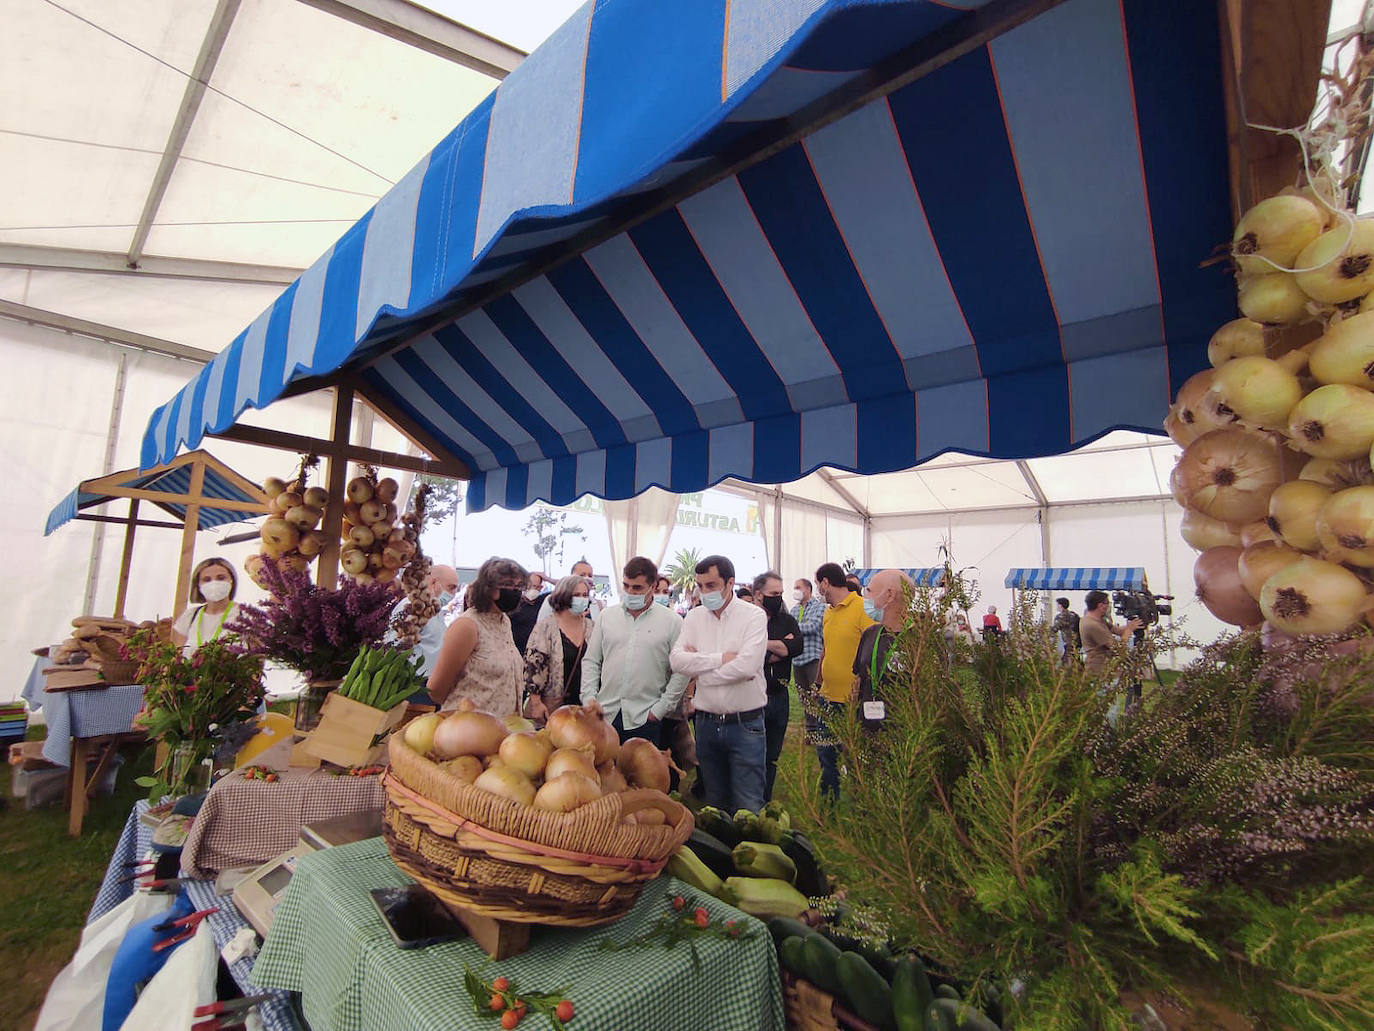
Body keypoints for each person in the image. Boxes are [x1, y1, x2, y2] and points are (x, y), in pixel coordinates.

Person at [670, 555, 768, 814]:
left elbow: (747, 666)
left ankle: (750, 851)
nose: (704, 592)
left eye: (711, 585)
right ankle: (720, 854)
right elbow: (677, 661)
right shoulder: (694, 618)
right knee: (714, 804)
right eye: (700, 586)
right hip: (706, 724)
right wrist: (720, 660)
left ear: (730, 583)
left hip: (745, 725)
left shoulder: (754, 617)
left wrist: (701, 672)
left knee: (748, 804)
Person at [582, 557, 688, 745]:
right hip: (605, 714)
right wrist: (589, 698)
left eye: (637, 588)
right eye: (626, 586)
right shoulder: (607, 616)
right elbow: (591, 660)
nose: (630, 592)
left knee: (641, 773)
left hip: (646, 718)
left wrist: (661, 709)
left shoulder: (672, 622)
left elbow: (681, 671)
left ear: (653, 586)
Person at [428, 557, 527, 714]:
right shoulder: (467, 626)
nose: (515, 591)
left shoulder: (503, 621)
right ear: (488, 588)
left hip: (501, 731)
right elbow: (436, 689)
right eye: (508, 585)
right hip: (468, 729)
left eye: (519, 586)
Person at [814, 561, 874, 800]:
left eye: (819, 584)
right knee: (825, 752)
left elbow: (872, 650)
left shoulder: (863, 608)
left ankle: (861, 802)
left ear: (826, 582)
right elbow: (826, 648)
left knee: (855, 755)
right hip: (827, 697)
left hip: (851, 700)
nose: (819, 589)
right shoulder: (828, 612)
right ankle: (830, 799)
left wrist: (861, 685)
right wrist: (818, 679)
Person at [754, 571, 801, 801]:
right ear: (758, 595)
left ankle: (765, 798)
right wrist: (780, 646)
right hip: (755, 696)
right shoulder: (749, 620)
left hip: (780, 696)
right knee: (753, 752)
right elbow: (749, 656)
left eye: (781, 593)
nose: (779, 598)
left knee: (772, 755)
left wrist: (764, 646)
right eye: (774, 593)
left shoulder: (787, 620)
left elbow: (796, 647)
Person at [523, 575, 593, 720]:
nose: (582, 599)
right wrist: (536, 703)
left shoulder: (592, 627)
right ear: (565, 596)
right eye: (577, 595)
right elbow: (533, 667)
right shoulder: (546, 627)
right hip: (551, 709)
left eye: (585, 595)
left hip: (584, 708)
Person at [853, 569, 915, 728]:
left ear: (890, 595)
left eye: (869, 590)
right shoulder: (870, 634)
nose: (864, 597)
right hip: (867, 730)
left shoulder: (921, 640)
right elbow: (858, 681)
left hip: (904, 737)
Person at [171, 558, 239, 656]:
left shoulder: (245, 616)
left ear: (231, 580)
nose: (214, 583)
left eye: (220, 578)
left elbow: (257, 658)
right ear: (198, 585)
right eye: (207, 580)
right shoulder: (190, 616)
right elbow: (176, 654)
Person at [1081, 590, 1141, 679]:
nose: (1109, 606)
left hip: (1105, 668)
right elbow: (1118, 648)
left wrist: (1134, 624)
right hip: (1099, 672)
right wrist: (1129, 629)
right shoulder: (1093, 625)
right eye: (1107, 603)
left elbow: (1117, 630)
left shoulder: (1098, 620)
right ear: (1100, 605)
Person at [791, 578, 824, 697]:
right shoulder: (794, 610)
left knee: (815, 697)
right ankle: (807, 716)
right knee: (804, 699)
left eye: (798, 587)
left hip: (813, 658)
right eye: (795, 588)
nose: (796, 591)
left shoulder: (819, 607)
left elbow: (812, 627)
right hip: (797, 660)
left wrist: (793, 629)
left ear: (808, 589)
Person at [509, 570, 547, 654]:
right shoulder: (514, 603)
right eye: (531, 586)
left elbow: (565, 588)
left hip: (535, 652)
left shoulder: (542, 601)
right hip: (516, 651)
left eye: (537, 587)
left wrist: (547, 579)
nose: (534, 589)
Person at [1053, 596, 1081, 664]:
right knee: (1076, 659)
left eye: (1057, 604)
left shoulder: (1060, 617)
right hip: (1077, 641)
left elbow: (1054, 629)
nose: (1056, 606)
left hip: (1068, 643)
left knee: (1066, 662)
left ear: (1060, 605)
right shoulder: (1074, 615)